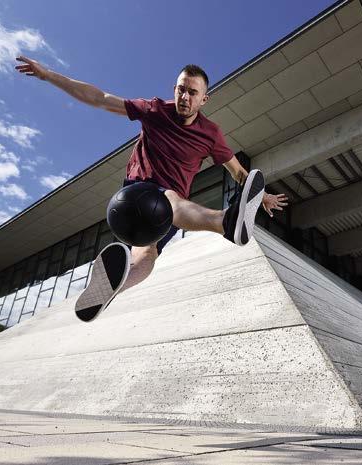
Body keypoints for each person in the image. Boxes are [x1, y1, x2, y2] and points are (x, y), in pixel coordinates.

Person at [15, 56, 288, 321]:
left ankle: (109, 291)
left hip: (159, 215)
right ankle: (223, 221)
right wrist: (48, 74)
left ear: (204, 99)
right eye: (181, 90)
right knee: (169, 197)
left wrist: (261, 195)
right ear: (174, 89)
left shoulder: (210, 134)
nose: (185, 98)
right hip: (136, 196)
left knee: (147, 254)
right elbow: (101, 99)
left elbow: (239, 172)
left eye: (193, 93)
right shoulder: (155, 110)